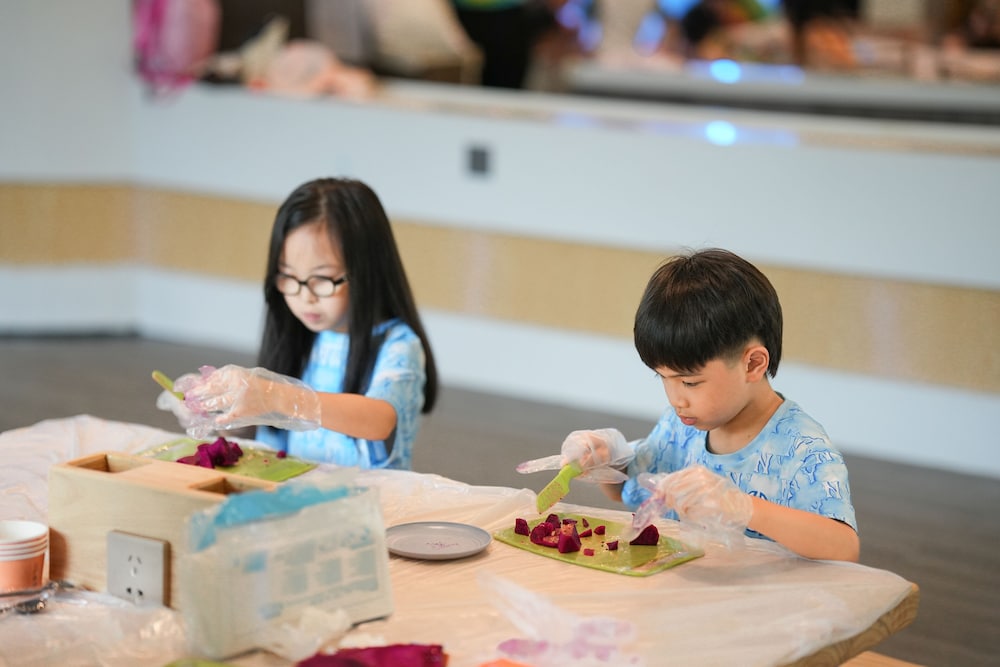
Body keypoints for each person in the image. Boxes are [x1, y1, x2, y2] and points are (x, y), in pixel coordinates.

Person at [551, 248, 859, 561]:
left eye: (690, 382)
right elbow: (624, 491)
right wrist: (607, 459)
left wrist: (744, 507)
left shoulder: (802, 448)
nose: (676, 399)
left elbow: (844, 547)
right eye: (663, 378)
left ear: (753, 364)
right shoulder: (680, 427)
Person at [163, 177, 438, 470]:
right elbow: (271, 436)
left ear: (368, 271)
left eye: (322, 278)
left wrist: (275, 395)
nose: (305, 297)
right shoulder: (302, 336)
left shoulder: (398, 345)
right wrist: (224, 412)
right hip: (299, 491)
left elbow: (378, 421)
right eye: (289, 276)